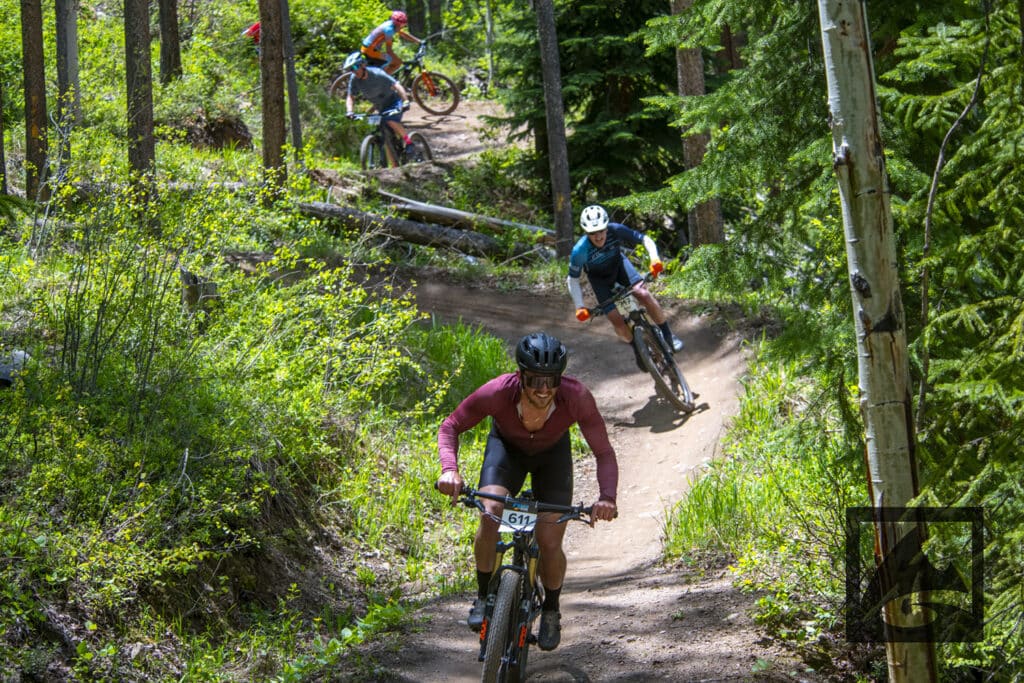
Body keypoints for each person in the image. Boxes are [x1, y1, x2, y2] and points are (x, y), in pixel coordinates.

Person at [435, 332, 618, 652]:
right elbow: (451, 426)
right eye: (535, 380)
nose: (544, 389)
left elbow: (603, 452)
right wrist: (449, 470)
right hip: (507, 452)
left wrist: (607, 497)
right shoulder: (497, 392)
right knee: (490, 513)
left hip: (552, 458)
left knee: (549, 541)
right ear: (520, 376)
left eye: (552, 380)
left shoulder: (576, 397)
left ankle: (551, 609)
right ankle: (483, 596)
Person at [567, 205, 685, 357]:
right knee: (616, 320)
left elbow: (644, 239)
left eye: (601, 230)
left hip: (620, 267)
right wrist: (579, 307)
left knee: (643, 294)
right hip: (600, 280)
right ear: (586, 232)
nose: (598, 236)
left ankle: (668, 335)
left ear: (606, 227)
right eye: (592, 233)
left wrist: (655, 259)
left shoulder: (615, 229)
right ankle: (638, 350)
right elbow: (573, 279)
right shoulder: (580, 250)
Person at [343, 52, 419, 166]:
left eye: (355, 67)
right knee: (384, 134)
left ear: (363, 65)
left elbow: (397, 85)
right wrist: (349, 111)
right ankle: (395, 166)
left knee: (390, 120)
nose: (353, 71)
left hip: (394, 102)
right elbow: (350, 97)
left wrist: (405, 101)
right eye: (350, 69)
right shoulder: (354, 79)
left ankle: (409, 142)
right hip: (380, 107)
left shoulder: (377, 74)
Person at [360, 10, 422, 75]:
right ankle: (381, 79)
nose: (402, 27)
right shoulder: (389, 30)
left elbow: (403, 34)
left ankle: (381, 76)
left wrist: (418, 41)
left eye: (403, 25)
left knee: (394, 61)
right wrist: (399, 61)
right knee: (394, 62)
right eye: (402, 25)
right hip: (370, 50)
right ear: (397, 24)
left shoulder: (391, 24)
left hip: (368, 47)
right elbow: (389, 51)